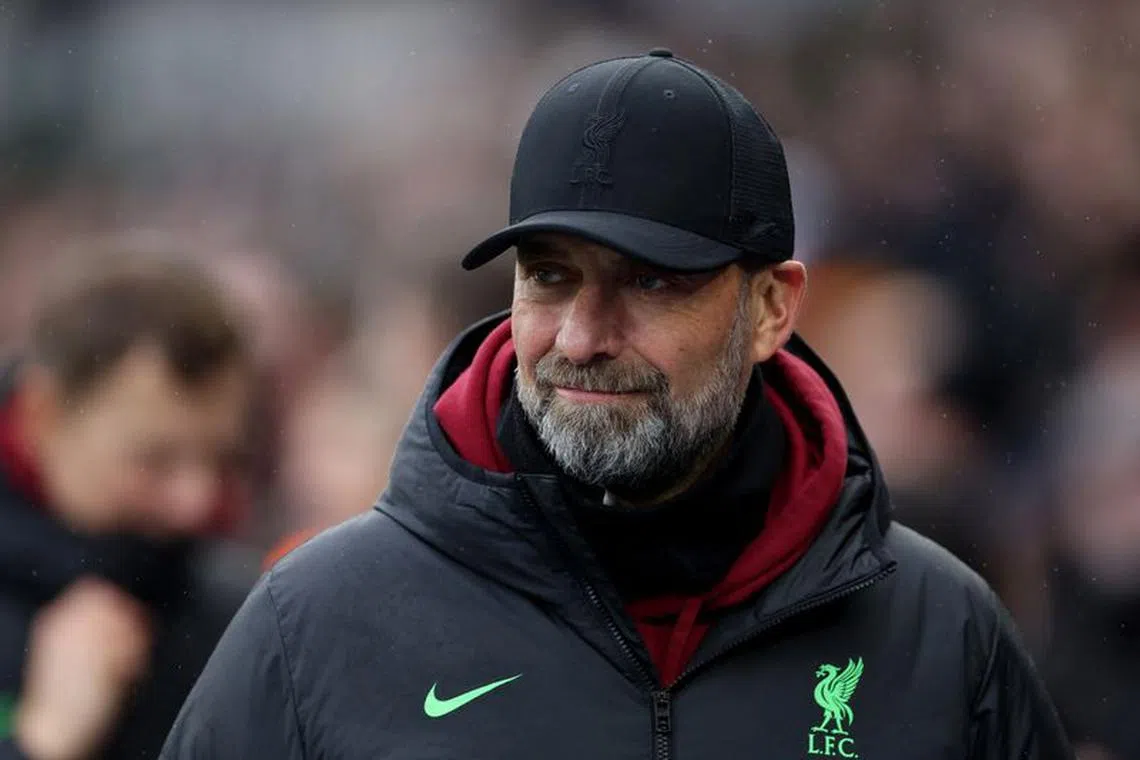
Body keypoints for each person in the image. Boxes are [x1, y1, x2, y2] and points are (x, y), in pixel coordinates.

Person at [161, 49, 1073, 759]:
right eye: (549, 277)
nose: (582, 335)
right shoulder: (318, 620)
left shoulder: (939, 635)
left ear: (771, 308)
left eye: (650, 282)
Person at [0, 250, 257, 760]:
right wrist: (42, 741)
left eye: (221, 457)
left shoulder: (238, 612)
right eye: (156, 460)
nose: (197, 500)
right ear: (42, 416)